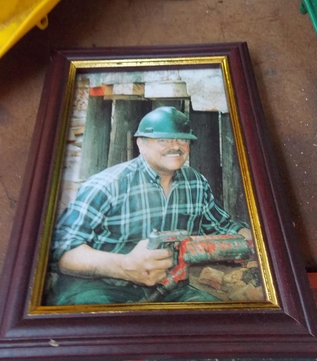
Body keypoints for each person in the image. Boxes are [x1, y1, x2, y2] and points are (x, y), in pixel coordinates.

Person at [47, 106, 252, 305]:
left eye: (182, 139)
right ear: (141, 144)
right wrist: (123, 266)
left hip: (169, 288)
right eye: (163, 140)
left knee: (218, 323)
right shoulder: (107, 185)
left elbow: (221, 226)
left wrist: (254, 241)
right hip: (100, 286)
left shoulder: (195, 183)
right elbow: (61, 248)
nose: (175, 146)